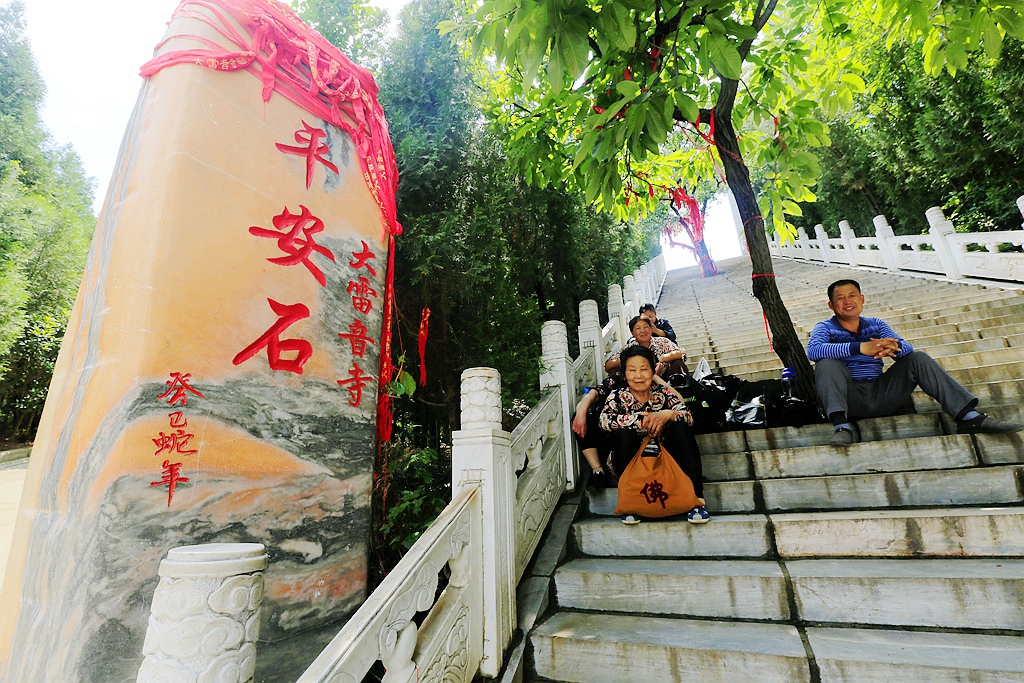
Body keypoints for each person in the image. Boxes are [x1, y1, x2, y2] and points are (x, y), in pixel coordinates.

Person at [808, 278, 1022, 447]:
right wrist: (860, 348)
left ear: (862, 299)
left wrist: (894, 349)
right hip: (849, 396)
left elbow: (905, 346)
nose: (847, 301)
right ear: (831, 305)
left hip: (882, 393)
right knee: (825, 363)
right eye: (840, 298)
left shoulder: (876, 324)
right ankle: (841, 427)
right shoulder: (824, 327)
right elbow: (814, 350)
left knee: (917, 357)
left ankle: (968, 416)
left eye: (852, 295)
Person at [599, 345, 709, 525]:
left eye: (644, 369)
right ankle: (630, 505)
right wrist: (640, 421)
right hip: (634, 461)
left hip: (666, 459)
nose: (638, 376)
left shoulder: (663, 393)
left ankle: (697, 499)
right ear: (624, 373)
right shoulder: (617, 396)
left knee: (679, 426)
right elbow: (604, 420)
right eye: (632, 370)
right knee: (624, 434)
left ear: (653, 371)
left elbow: (688, 416)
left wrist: (668, 414)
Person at [572, 370, 683, 489]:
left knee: (679, 425)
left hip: (656, 439)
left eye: (643, 366)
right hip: (619, 439)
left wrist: (654, 376)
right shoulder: (618, 381)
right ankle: (598, 471)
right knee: (585, 419)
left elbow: (680, 403)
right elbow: (596, 392)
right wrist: (581, 411)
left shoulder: (656, 386)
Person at [606, 316, 687, 376]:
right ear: (632, 333)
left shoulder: (662, 341)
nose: (643, 331)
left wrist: (660, 359)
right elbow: (608, 365)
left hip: (666, 380)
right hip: (639, 382)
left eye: (646, 327)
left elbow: (681, 353)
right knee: (614, 372)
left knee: (677, 363)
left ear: (651, 329)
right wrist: (631, 362)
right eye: (638, 328)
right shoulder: (628, 348)